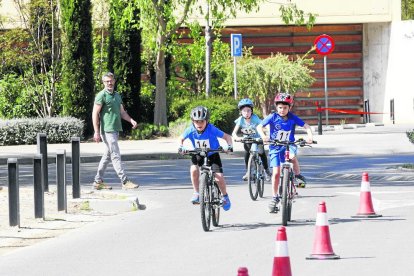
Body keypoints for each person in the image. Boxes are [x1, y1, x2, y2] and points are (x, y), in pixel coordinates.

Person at [256, 92, 313, 213]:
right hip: (275, 147)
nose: (282, 110)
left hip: (289, 145)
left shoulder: (292, 117)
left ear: (289, 108)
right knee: (276, 173)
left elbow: (306, 126)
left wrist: (310, 137)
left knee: (292, 157)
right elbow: (259, 127)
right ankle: (275, 196)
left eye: (285, 108)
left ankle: (297, 176)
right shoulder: (272, 117)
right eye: (280, 107)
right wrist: (263, 136)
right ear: (276, 107)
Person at [178, 106, 233, 211]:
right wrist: (181, 147)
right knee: (194, 169)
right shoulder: (190, 129)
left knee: (219, 177)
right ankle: (197, 193)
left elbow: (227, 137)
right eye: (196, 121)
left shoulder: (211, 129)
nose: (199, 124)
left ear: (207, 121)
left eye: (201, 121)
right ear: (193, 121)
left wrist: (229, 146)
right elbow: (181, 138)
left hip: (212, 153)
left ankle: (225, 196)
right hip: (198, 153)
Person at [92, 72, 139, 190]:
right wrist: (96, 132)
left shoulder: (117, 95)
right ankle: (125, 181)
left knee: (107, 156)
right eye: (107, 81)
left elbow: (122, 112)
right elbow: (94, 114)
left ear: (114, 81)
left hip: (115, 130)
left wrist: (131, 120)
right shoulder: (101, 95)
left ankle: (97, 181)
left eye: (111, 81)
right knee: (115, 155)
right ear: (103, 82)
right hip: (107, 131)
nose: (109, 83)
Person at [232, 98, 271, 181]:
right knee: (247, 154)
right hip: (247, 140)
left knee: (261, 152)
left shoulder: (255, 118)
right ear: (241, 112)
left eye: (248, 111)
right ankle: (248, 172)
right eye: (244, 111)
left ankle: (266, 170)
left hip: (258, 139)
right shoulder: (240, 120)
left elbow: (264, 125)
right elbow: (234, 133)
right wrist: (236, 138)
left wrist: (266, 135)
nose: (246, 113)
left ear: (252, 111)